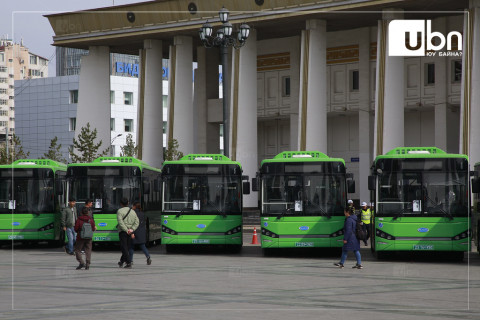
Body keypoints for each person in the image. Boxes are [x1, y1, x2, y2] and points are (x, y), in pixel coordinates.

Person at [117, 198, 139, 269]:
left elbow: (120, 222)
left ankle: (128, 262)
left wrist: (126, 230)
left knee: (124, 247)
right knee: (127, 247)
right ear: (128, 203)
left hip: (123, 231)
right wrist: (132, 229)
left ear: (121, 204)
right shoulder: (133, 211)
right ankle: (121, 261)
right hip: (130, 231)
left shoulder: (120, 211)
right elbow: (137, 222)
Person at [128, 201, 152, 265]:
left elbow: (131, 223)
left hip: (134, 231)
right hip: (141, 232)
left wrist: (131, 232)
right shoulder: (142, 213)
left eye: (133, 206)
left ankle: (131, 260)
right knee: (143, 246)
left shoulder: (132, 213)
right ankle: (148, 257)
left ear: (134, 206)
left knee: (131, 247)